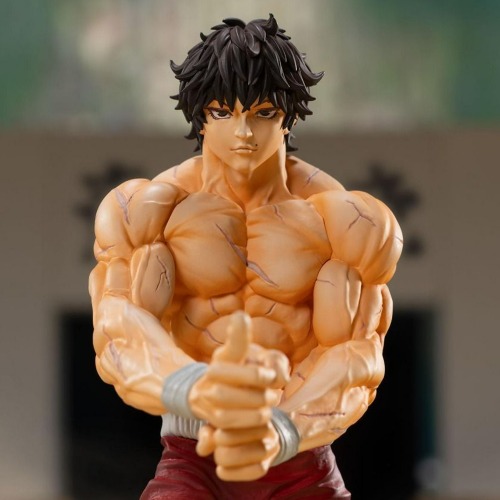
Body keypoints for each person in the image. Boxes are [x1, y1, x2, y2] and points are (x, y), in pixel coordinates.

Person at [90, 14, 403, 499]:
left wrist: (280, 430)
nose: (244, 132)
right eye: (222, 112)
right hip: (194, 449)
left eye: (263, 112)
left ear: (289, 117)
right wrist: (199, 388)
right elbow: (118, 330)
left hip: (298, 453)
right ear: (199, 115)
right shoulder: (149, 210)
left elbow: (356, 357)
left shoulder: (343, 220)